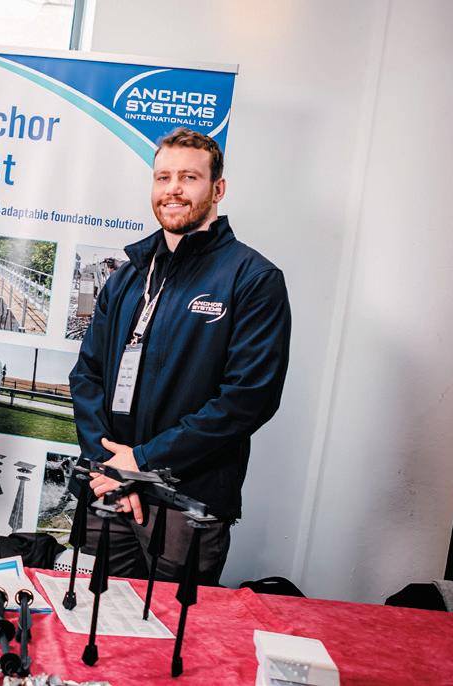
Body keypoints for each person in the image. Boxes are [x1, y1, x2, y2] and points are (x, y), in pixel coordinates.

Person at [70, 127, 292, 585]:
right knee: (94, 617)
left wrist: (141, 463)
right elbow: (87, 375)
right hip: (109, 492)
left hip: (185, 505)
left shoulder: (253, 279)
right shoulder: (127, 277)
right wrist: (111, 466)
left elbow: (248, 398)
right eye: (163, 177)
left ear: (218, 189)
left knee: (173, 624)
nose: (172, 189)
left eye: (189, 177)